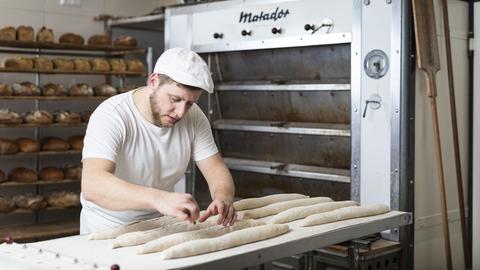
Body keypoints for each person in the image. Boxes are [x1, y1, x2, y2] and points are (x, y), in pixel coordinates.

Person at [79, 47, 236, 234]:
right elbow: (93, 184)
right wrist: (158, 198)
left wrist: (223, 197)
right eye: (174, 99)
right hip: (107, 229)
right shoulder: (113, 115)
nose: (180, 112)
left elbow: (215, 168)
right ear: (153, 82)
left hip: (161, 225)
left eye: (189, 103)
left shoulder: (193, 116)